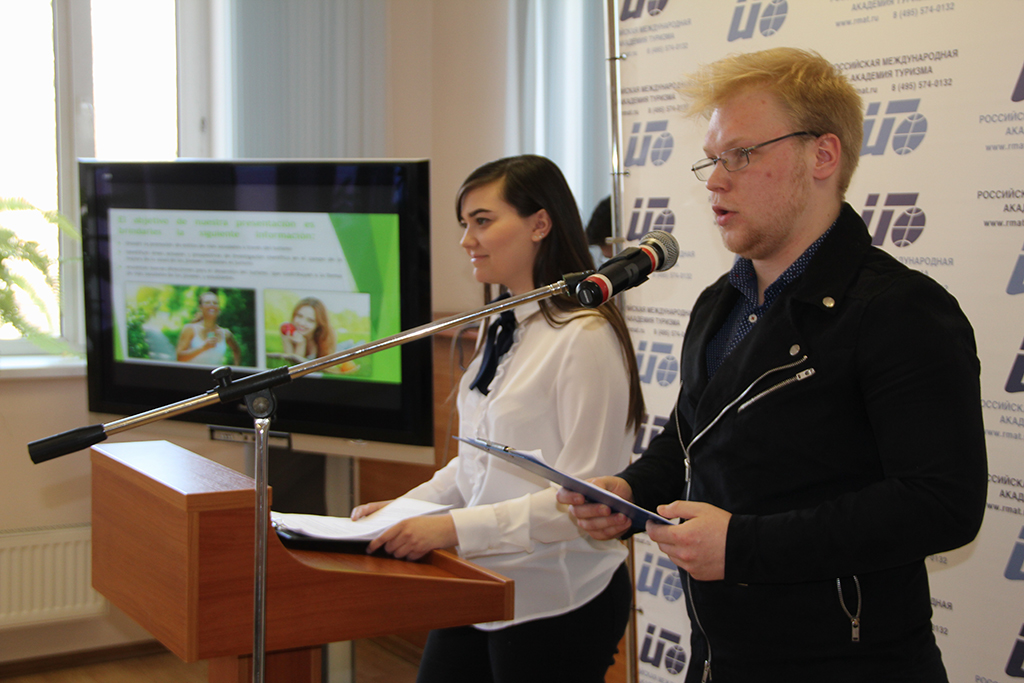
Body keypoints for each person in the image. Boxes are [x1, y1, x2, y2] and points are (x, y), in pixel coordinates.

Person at [558, 48, 987, 682]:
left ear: (822, 156)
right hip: (721, 655)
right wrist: (631, 492)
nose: (714, 181)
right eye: (712, 158)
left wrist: (744, 546)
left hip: (851, 664)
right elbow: (692, 436)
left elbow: (942, 503)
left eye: (741, 154)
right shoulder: (719, 301)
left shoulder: (900, 310)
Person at [351, 155, 643, 683]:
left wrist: (448, 528)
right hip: (482, 582)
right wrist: (406, 508)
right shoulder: (502, 323)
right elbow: (478, 463)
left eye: (482, 221)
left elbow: (585, 500)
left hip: (555, 597)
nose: (467, 240)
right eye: (464, 224)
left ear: (540, 224)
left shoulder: (585, 337)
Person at [278, 296, 358, 373]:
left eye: (310, 320)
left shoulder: (327, 336)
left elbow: (327, 368)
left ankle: (351, 343)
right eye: (299, 316)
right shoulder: (288, 331)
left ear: (318, 324)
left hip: (336, 349)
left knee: (349, 346)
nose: (302, 323)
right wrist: (300, 344)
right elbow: (292, 366)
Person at [175, 289, 241, 365]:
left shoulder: (225, 333)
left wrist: (236, 368)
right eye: (207, 303)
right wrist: (203, 348)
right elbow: (179, 357)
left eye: (215, 303)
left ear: (219, 308)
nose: (212, 305)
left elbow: (236, 350)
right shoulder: (190, 329)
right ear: (200, 307)